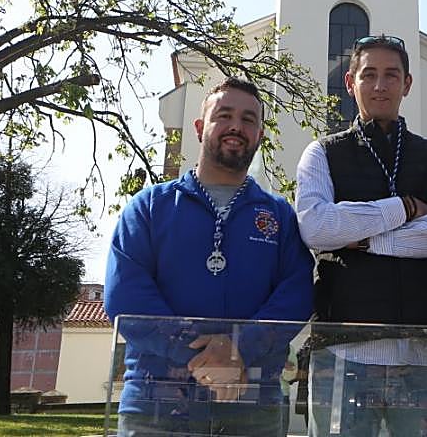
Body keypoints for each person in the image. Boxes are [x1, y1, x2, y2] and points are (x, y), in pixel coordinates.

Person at [105, 76, 314, 437]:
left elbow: (296, 294)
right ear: (201, 127)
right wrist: (204, 357)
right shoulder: (148, 207)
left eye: (249, 119)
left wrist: (239, 350)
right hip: (158, 406)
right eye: (225, 115)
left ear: (260, 135)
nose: (237, 126)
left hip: (252, 407)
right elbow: (126, 297)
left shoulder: (279, 216)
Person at [296, 34, 427, 436]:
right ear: (350, 82)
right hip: (344, 352)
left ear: (407, 83)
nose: (380, 85)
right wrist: (404, 209)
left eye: (391, 75)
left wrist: (365, 238)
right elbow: (316, 227)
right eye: (369, 74)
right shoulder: (322, 154)